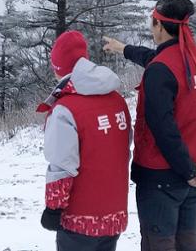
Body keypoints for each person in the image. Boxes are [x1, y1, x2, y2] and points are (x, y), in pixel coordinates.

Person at [103, 0, 196, 251]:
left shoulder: (161, 70)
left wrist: (186, 170)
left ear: (159, 26)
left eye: (152, 23)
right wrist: (123, 48)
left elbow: (163, 129)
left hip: (164, 174)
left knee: (159, 245)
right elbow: (155, 58)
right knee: (187, 243)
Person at [39, 30, 131, 251]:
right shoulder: (116, 99)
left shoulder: (66, 109)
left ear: (59, 67)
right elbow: (124, 148)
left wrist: (53, 208)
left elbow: (62, 166)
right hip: (114, 211)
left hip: (79, 218)